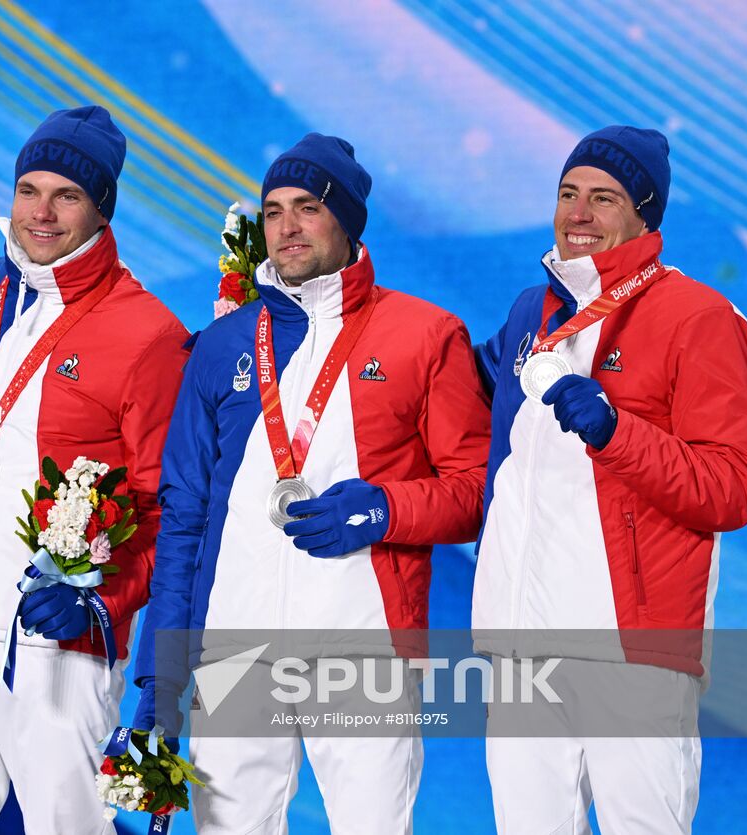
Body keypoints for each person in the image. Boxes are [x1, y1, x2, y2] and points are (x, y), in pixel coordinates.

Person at [132, 133, 492, 833]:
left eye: (308, 207)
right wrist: (159, 679)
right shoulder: (224, 345)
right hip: (233, 645)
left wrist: (385, 508)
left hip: (362, 647)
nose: (287, 227)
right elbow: (183, 517)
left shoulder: (426, 334)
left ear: (348, 220)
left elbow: (477, 490)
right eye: (273, 211)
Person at [0, 105, 190, 833]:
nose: (42, 213)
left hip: (57, 645)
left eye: (67, 196)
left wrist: (101, 602)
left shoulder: (151, 334)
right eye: (30, 189)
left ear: (103, 208)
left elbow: (176, 512)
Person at [472, 126, 747, 834]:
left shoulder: (699, 317)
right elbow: (447, 383)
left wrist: (614, 431)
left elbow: (731, 488)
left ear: (644, 215)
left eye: (603, 198)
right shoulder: (532, 312)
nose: (578, 213)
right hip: (518, 647)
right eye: (568, 193)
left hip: (632, 651)